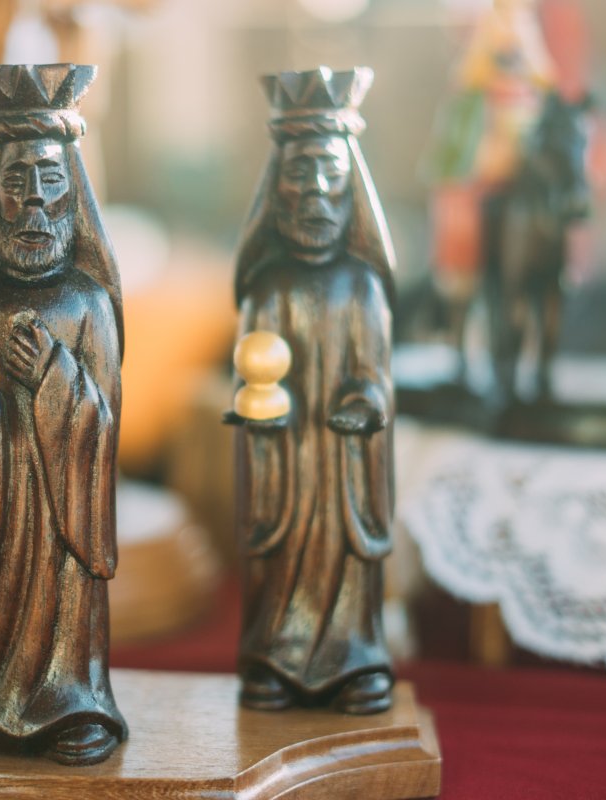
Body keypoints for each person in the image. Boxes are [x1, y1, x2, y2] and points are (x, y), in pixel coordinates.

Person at [0, 63, 126, 766]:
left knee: (64, 594)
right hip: (4, 509)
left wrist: (53, 375)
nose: (36, 205)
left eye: (50, 183)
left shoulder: (88, 305)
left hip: (61, 513)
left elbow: (103, 426)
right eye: (16, 186)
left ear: (74, 193)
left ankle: (74, 701)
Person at [229, 66, 397, 715]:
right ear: (275, 189)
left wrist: (364, 404)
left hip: (343, 468)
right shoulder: (268, 289)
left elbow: (377, 378)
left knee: (349, 566)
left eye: (330, 173)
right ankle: (273, 655)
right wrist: (260, 411)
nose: (314, 193)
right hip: (286, 472)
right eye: (297, 175)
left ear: (353, 185)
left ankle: (356, 658)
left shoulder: (363, 287)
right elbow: (251, 368)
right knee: (279, 568)